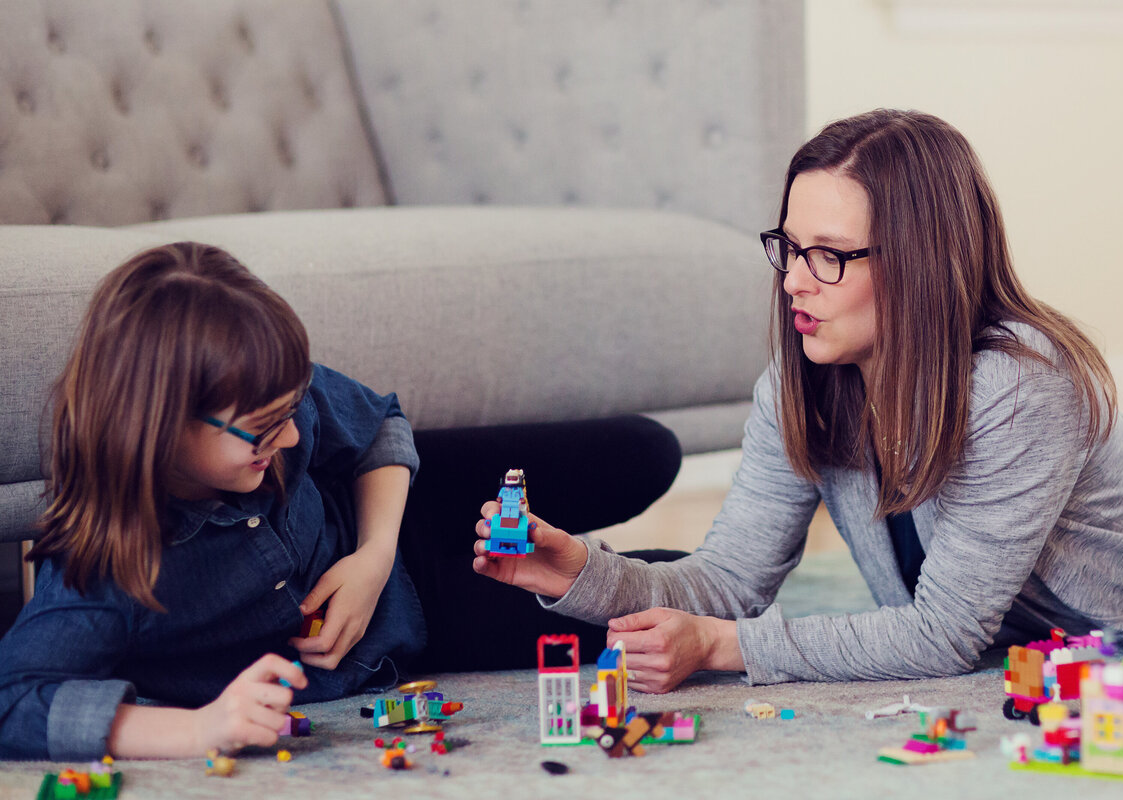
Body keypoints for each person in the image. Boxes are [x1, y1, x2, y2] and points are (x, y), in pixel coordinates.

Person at [473, 108, 1123, 694]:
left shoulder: (1021, 388)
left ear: (920, 264)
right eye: (788, 247)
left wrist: (723, 648)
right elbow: (730, 580)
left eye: (829, 254)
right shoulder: (804, 381)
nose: (794, 280)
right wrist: (581, 572)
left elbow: (943, 635)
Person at [0, 242, 682, 760]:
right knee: (675, 590)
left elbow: (378, 423)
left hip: (397, 514)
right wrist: (200, 728)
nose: (294, 434)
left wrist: (373, 555)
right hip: (421, 617)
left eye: (291, 409)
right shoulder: (104, 573)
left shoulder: (264, 395)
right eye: (267, 427)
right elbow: (12, 702)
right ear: (162, 425)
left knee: (644, 451)